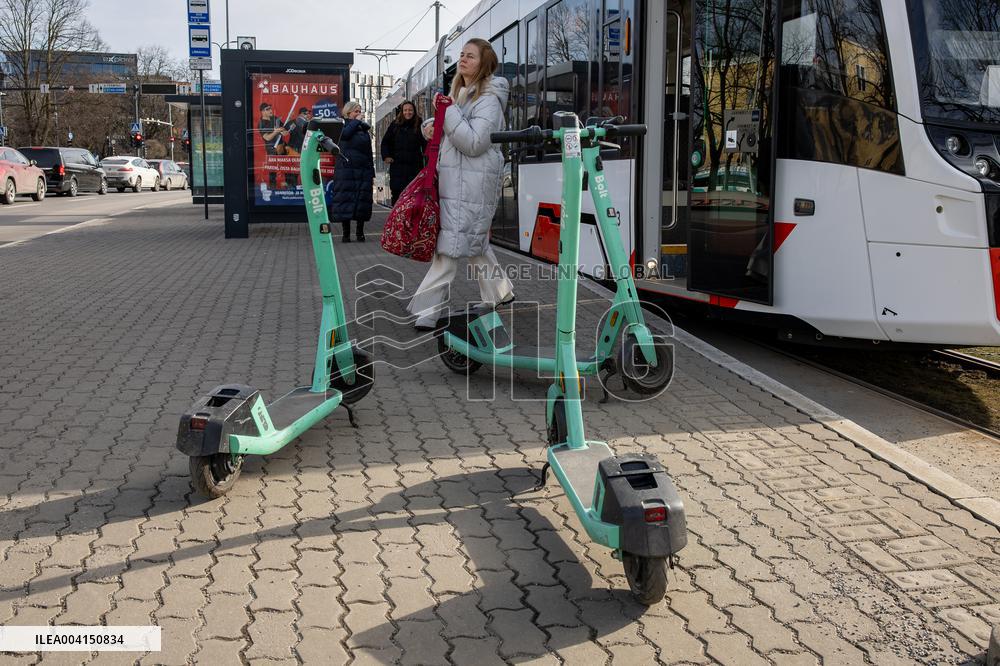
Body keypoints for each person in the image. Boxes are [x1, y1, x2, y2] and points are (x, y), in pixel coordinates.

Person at [408, 38, 514, 330]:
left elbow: (474, 142)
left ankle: (428, 311)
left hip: (473, 185)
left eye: (470, 56)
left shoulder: (490, 98)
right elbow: (458, 131)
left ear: (484, 63)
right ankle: (500, 292)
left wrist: (448, 112)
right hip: (459, 182)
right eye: (462, 55)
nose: (463, 60)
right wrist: (433, 125)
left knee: (449, 247)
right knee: (475, 242)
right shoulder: (464, 94)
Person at [330, 101, 375, 242]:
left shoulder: (363, 129)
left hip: (362, 170)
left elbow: (368, 152)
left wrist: (371, 172)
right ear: (348, 113)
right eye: (356, 111)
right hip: (346, 170)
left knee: (361, 201)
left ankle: (360, 232)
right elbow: (346, 135)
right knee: (345, 200)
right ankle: (346, 233)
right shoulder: (341, 125)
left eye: (360, 111)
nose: (359, 113)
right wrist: (356, 122)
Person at [380, 100, 426, 204]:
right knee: (397, 196)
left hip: (414, 168)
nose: (407, 112)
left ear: (414, 111)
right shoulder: (395, 125)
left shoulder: (419, 125)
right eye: (405, 110)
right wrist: (386, 156)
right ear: (402, 111)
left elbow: (425, 144)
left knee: (413, 197)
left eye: (410, 110)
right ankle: (397, 220)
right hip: (397, 168)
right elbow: (385, 142)